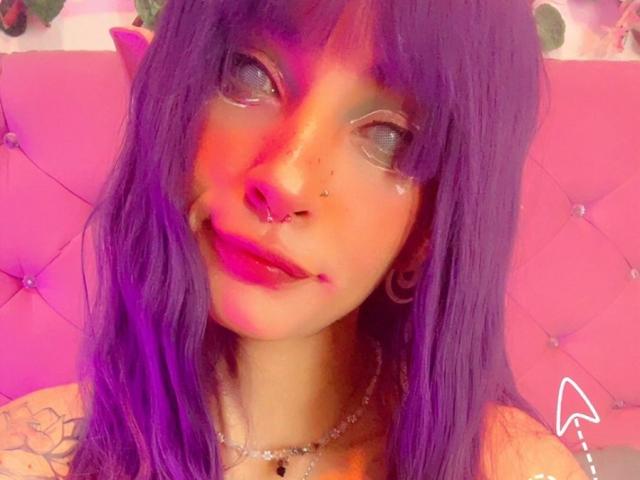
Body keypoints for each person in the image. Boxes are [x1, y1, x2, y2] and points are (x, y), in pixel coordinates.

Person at [0, 0, 591, 479]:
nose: (285, 180)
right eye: (249, 73)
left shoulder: (515, 468)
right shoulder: (31, 456)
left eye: (390, 138)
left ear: (430, 230)